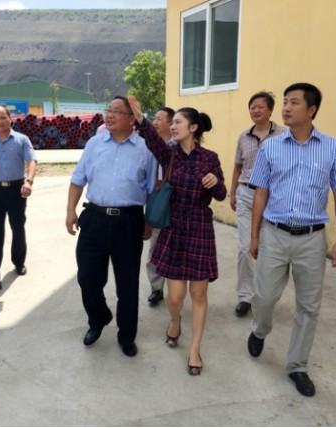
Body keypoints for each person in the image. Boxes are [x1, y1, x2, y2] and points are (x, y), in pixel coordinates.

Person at [247, 83, 336, 397]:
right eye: (285, 102)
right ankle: (260, 330)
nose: (286, 107)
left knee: (308, 306)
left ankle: (297, 366)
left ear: (312, 110)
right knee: (264, 297)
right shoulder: (270, 147)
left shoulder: (334, 148)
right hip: (274, 233)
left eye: (294, 102)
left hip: (311, 238)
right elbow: (260, 192)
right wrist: (254, 235)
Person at [129, 95, 227, 376]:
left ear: (193, 127)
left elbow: (221, 195)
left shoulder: (210, 158)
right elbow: (152, 139)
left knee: (198, 295)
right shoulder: (169, 154)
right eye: (171, 123)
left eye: (178, 122)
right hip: (174, 227)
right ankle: (175, 320)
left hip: (199, 227)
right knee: (175, 297)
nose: (172, 126)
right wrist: (140, 118)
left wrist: (215, 182)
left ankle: (195, 350)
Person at [66, 96, 155, 358]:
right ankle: (99, 318)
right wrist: (70, 210)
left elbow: (152, 189)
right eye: (108, 110)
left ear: (132, 118)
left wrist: (148, 220)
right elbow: (78, 179)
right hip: (94, 218)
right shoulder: (94, 144)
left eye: (117, 111)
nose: (110, 115)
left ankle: (126, 336)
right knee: (87, 278)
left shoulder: (145, 148)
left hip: (129, 221)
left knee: (127, 284)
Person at [229, 91, 286, 317]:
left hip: (273, 198)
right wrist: (233, 193)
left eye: (260, 107)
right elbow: (237, 166)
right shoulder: (243, 136)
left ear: (270, 110)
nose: (255, 110)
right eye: (252, 107)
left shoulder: (284, 135)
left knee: (267, 249)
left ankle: (263, 296)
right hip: (246, 193)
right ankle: (245, 296)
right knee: (245, 248)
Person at [0, 104, 37, 292]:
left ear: (10, 118)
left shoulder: (22, 140)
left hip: (16, 191)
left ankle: (18, 262)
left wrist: (29, 181)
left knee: (17, 227)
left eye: (3, 117)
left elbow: (31, 161)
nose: (0, 122)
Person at [146, 106, 175, 306]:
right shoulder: (149, 147)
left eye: (159, 119)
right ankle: (156, 288)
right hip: (157, 202)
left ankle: (175, 289)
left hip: (174, 203)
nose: (154, 122)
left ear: (170, 124)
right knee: (154, 249)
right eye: (154, 118)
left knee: (175, 250)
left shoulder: (178, 146)